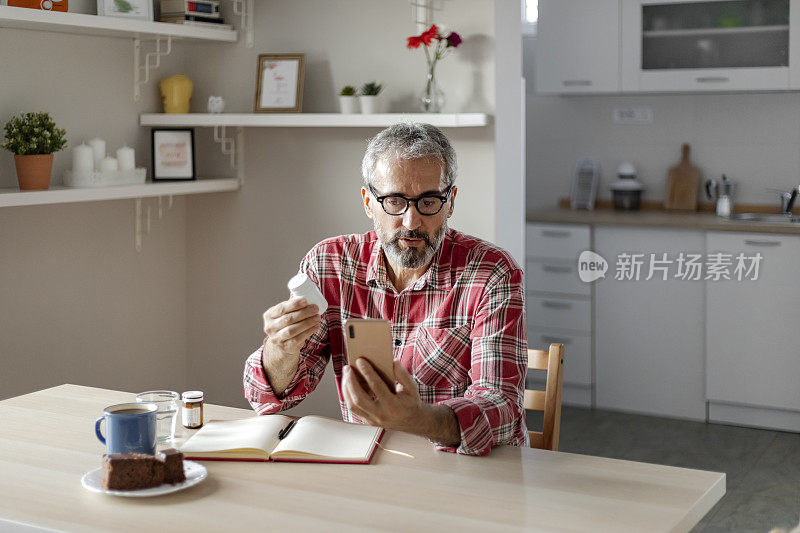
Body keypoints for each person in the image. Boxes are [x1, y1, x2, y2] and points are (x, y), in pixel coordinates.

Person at [243, 123, 528, 456]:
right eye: (394, 201)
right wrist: (281, 348)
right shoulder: (330, 265)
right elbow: (266, 397)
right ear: (368, 202)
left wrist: (418, 419)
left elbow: (503, 412)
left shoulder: (492, 272)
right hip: (369, 465)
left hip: (466, 472)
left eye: (429, 202)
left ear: (450, 202)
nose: (411, 222)